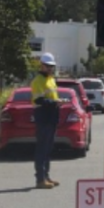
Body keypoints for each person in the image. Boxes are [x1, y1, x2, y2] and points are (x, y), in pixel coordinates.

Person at [30, 52, 61, 189]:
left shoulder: (51, 79)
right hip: (43, 115)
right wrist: (55, 102)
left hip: (52, 115)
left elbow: (52, 97)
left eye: (51, 66)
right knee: (42, 148)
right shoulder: (38, 81)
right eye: (47, 66)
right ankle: (40, 179)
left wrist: (57, 102)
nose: (50, 68)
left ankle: (46, 176)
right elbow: (38, 99)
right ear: (41, 65)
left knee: (48, 148)